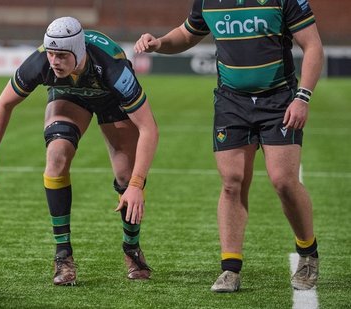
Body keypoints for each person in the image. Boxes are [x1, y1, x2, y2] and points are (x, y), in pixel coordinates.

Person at [134, 0, 323, 292]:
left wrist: (303, 97)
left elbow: (312, 46)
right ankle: (230, 269)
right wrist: (159, 43)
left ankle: (308, 252)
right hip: (231, 103)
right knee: (232, 182)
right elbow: (187, 34)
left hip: (279, 101)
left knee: (284, 181)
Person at [0, 16, 159, 285]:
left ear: (79, 51)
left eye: (62, 55)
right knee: (56, 157)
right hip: (69, 95)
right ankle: (63, 256)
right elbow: (3, 104)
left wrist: (136, 183)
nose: (54, 61)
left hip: (110, 98)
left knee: (125, 175)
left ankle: (131, 248)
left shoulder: (113, 69)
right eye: (51, 53)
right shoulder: (41, 63)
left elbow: (149, 129)